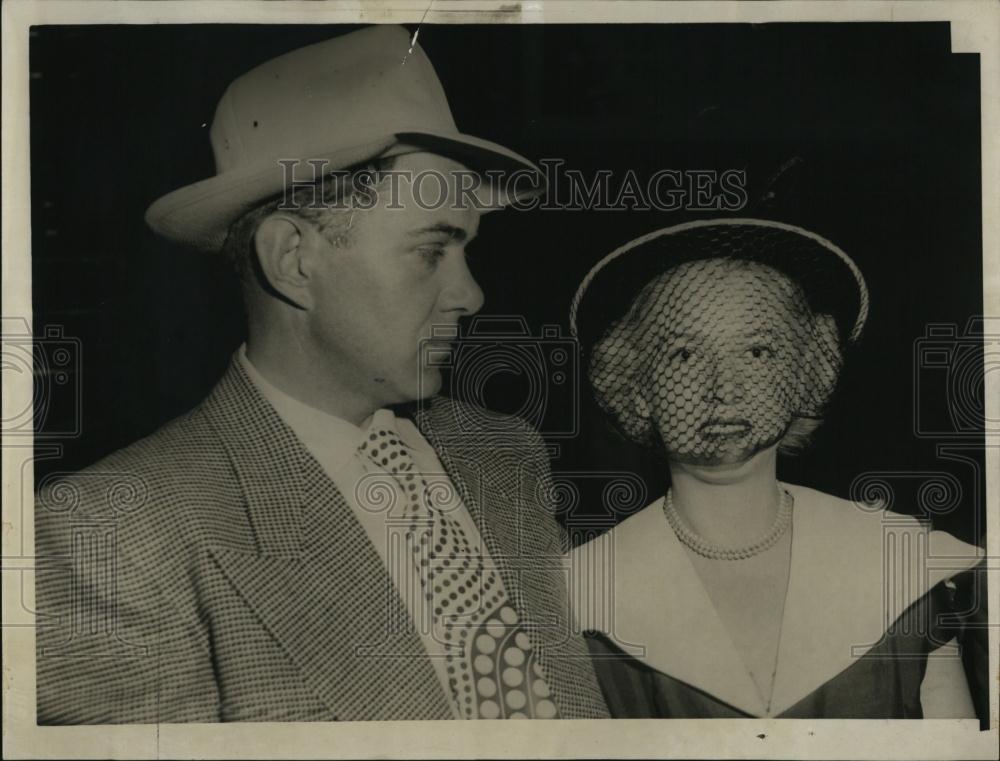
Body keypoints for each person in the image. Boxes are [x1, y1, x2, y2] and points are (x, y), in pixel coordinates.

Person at [34, 25, 609, 723]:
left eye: (467, 252)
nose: (471, 294)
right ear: (293, 261)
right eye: (431, 252)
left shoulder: (503, 450)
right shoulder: (112, 535)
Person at [565, 218, 986, 719]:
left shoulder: (900, 559)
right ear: (637, 389)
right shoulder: (581, 591)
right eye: (684, 355)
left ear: (808, 372)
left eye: (758, 351)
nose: (725, 389)